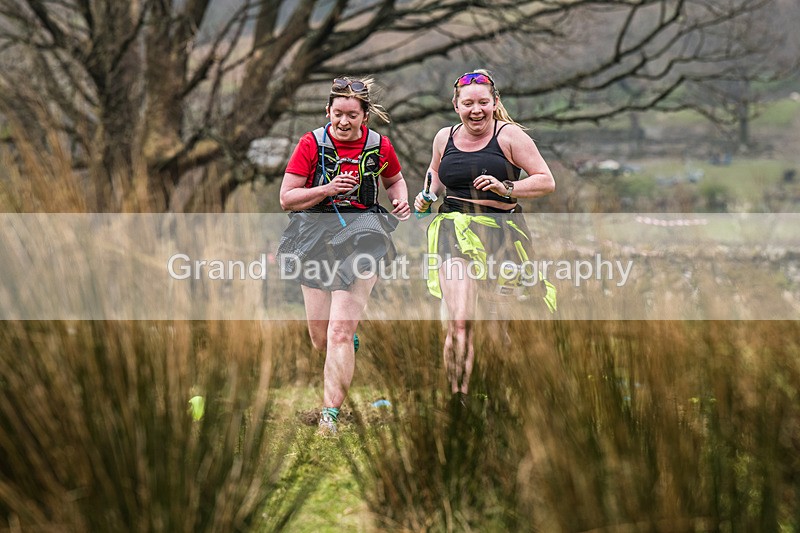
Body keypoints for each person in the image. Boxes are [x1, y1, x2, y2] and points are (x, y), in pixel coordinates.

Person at [278, 76, 411, 436]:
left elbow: (395, 181)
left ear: (364, 115)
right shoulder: (311, 144)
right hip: (314, 237)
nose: (344, 121)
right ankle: (345, 342)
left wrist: (400, 199)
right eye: (338, 113)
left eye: (352, 115)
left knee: (337, 330)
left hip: (364, 235)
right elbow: (287, 198)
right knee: (320, 338)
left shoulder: (380, 146)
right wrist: (327, 189)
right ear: (328, 112)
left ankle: (329, 417)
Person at [413, 69, 556, 402]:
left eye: (482, 103)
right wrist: (426, 196)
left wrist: (506, 186)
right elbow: (435, 174)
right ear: (456, 105)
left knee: (497, 327)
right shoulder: (443, 137)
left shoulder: (509, 137)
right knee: (460, 320)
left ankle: (497, 393)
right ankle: (458, 397)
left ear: (494, 103)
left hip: (502, 236)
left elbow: (545, 180)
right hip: (453, 231)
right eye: (467, 104)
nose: (475, 110)